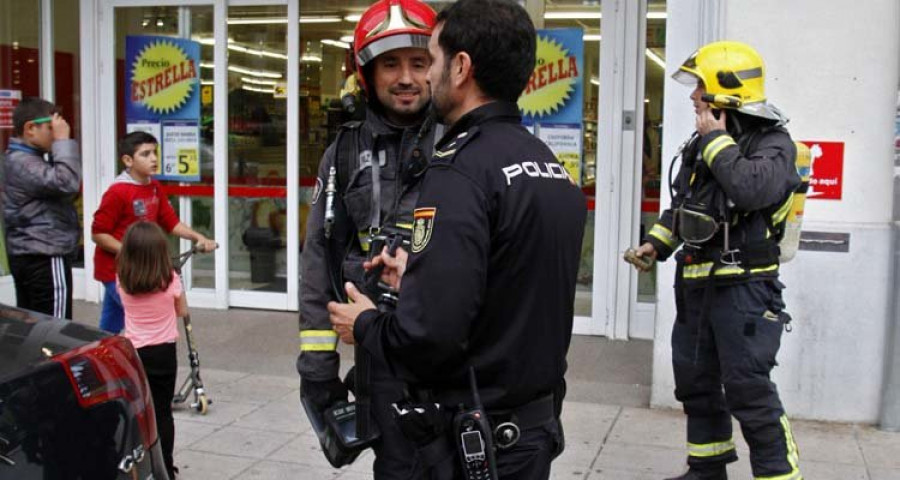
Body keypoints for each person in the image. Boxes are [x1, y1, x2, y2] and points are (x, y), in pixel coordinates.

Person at [328, 0, 587, 478]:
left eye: (432, 59)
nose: (425, 78)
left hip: (476, 441)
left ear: (461, 67)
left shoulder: (459, 171)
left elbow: (429, 339)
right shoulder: (550, 166)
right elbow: (511, 287)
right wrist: (423, 275)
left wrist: (364, 323)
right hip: (532, 431)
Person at [627, 41, 803, 480]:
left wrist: (715, 141)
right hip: (697, 286)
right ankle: (706, 471)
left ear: (726, 94)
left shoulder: (774, 144)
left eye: (700, 88)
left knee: (748, 390)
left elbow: (751, 188)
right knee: (697, 384)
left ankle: (779, 475)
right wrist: (656, 243)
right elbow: (684, 204)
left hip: (744, 288)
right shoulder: (703, 145)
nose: (692, 97)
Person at [295, 0, 439, 477]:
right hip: (377, 353)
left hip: (451, 358)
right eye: (390, 64)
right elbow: (319, 255)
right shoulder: (343, 153)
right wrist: (317, 368)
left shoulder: (464, 140)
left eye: (418, 63)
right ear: (366, 74)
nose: (406, 78)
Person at [92, 131, 215, 334]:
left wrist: (198, 237)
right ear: (128, 160)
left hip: (140, 268)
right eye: (146, 154)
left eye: (155, 153)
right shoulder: (118, 191)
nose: (154, 159)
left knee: (109, 328)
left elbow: (171, 222)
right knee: (144, 321)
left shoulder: (155, 187)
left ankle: (98, 357)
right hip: (117, 271)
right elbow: (98, 233)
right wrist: (131, 252)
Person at [117, 221, 185, 479]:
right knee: (163, 411)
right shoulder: (170, 279)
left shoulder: (123, 279)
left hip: (135, 352)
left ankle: (138, 465)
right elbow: (182, 311)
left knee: (140, 411)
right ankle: (165, 466)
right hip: (164, 352)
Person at [2, 97, 81, 319]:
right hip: (45, 254)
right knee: (55, 327)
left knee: (33, 326)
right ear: (30, 129)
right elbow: (68, 182)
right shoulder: (24, 162)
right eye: (50, 127)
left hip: (29, 253)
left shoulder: (19, 159)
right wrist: (63, 141)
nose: (55, 132)